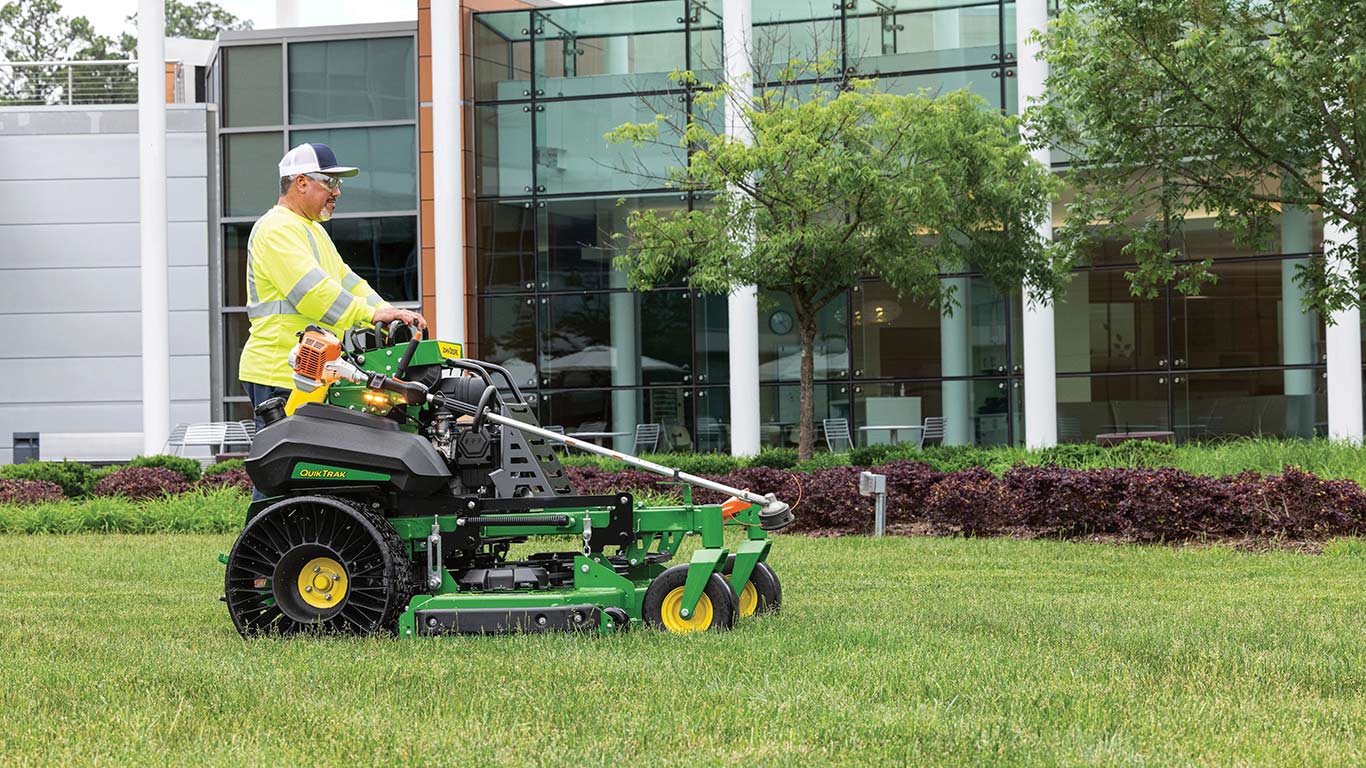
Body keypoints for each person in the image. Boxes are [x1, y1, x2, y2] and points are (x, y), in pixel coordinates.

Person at [238, 142, 426, 430]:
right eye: (330, 182)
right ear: (301, 182)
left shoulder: (313, 231)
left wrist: (388, 312)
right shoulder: (276, 228)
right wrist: (372, 316)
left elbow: (350, 282)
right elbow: (312, 293)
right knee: (292, 469)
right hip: (280, 373)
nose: (337, 191)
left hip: (310, 372)